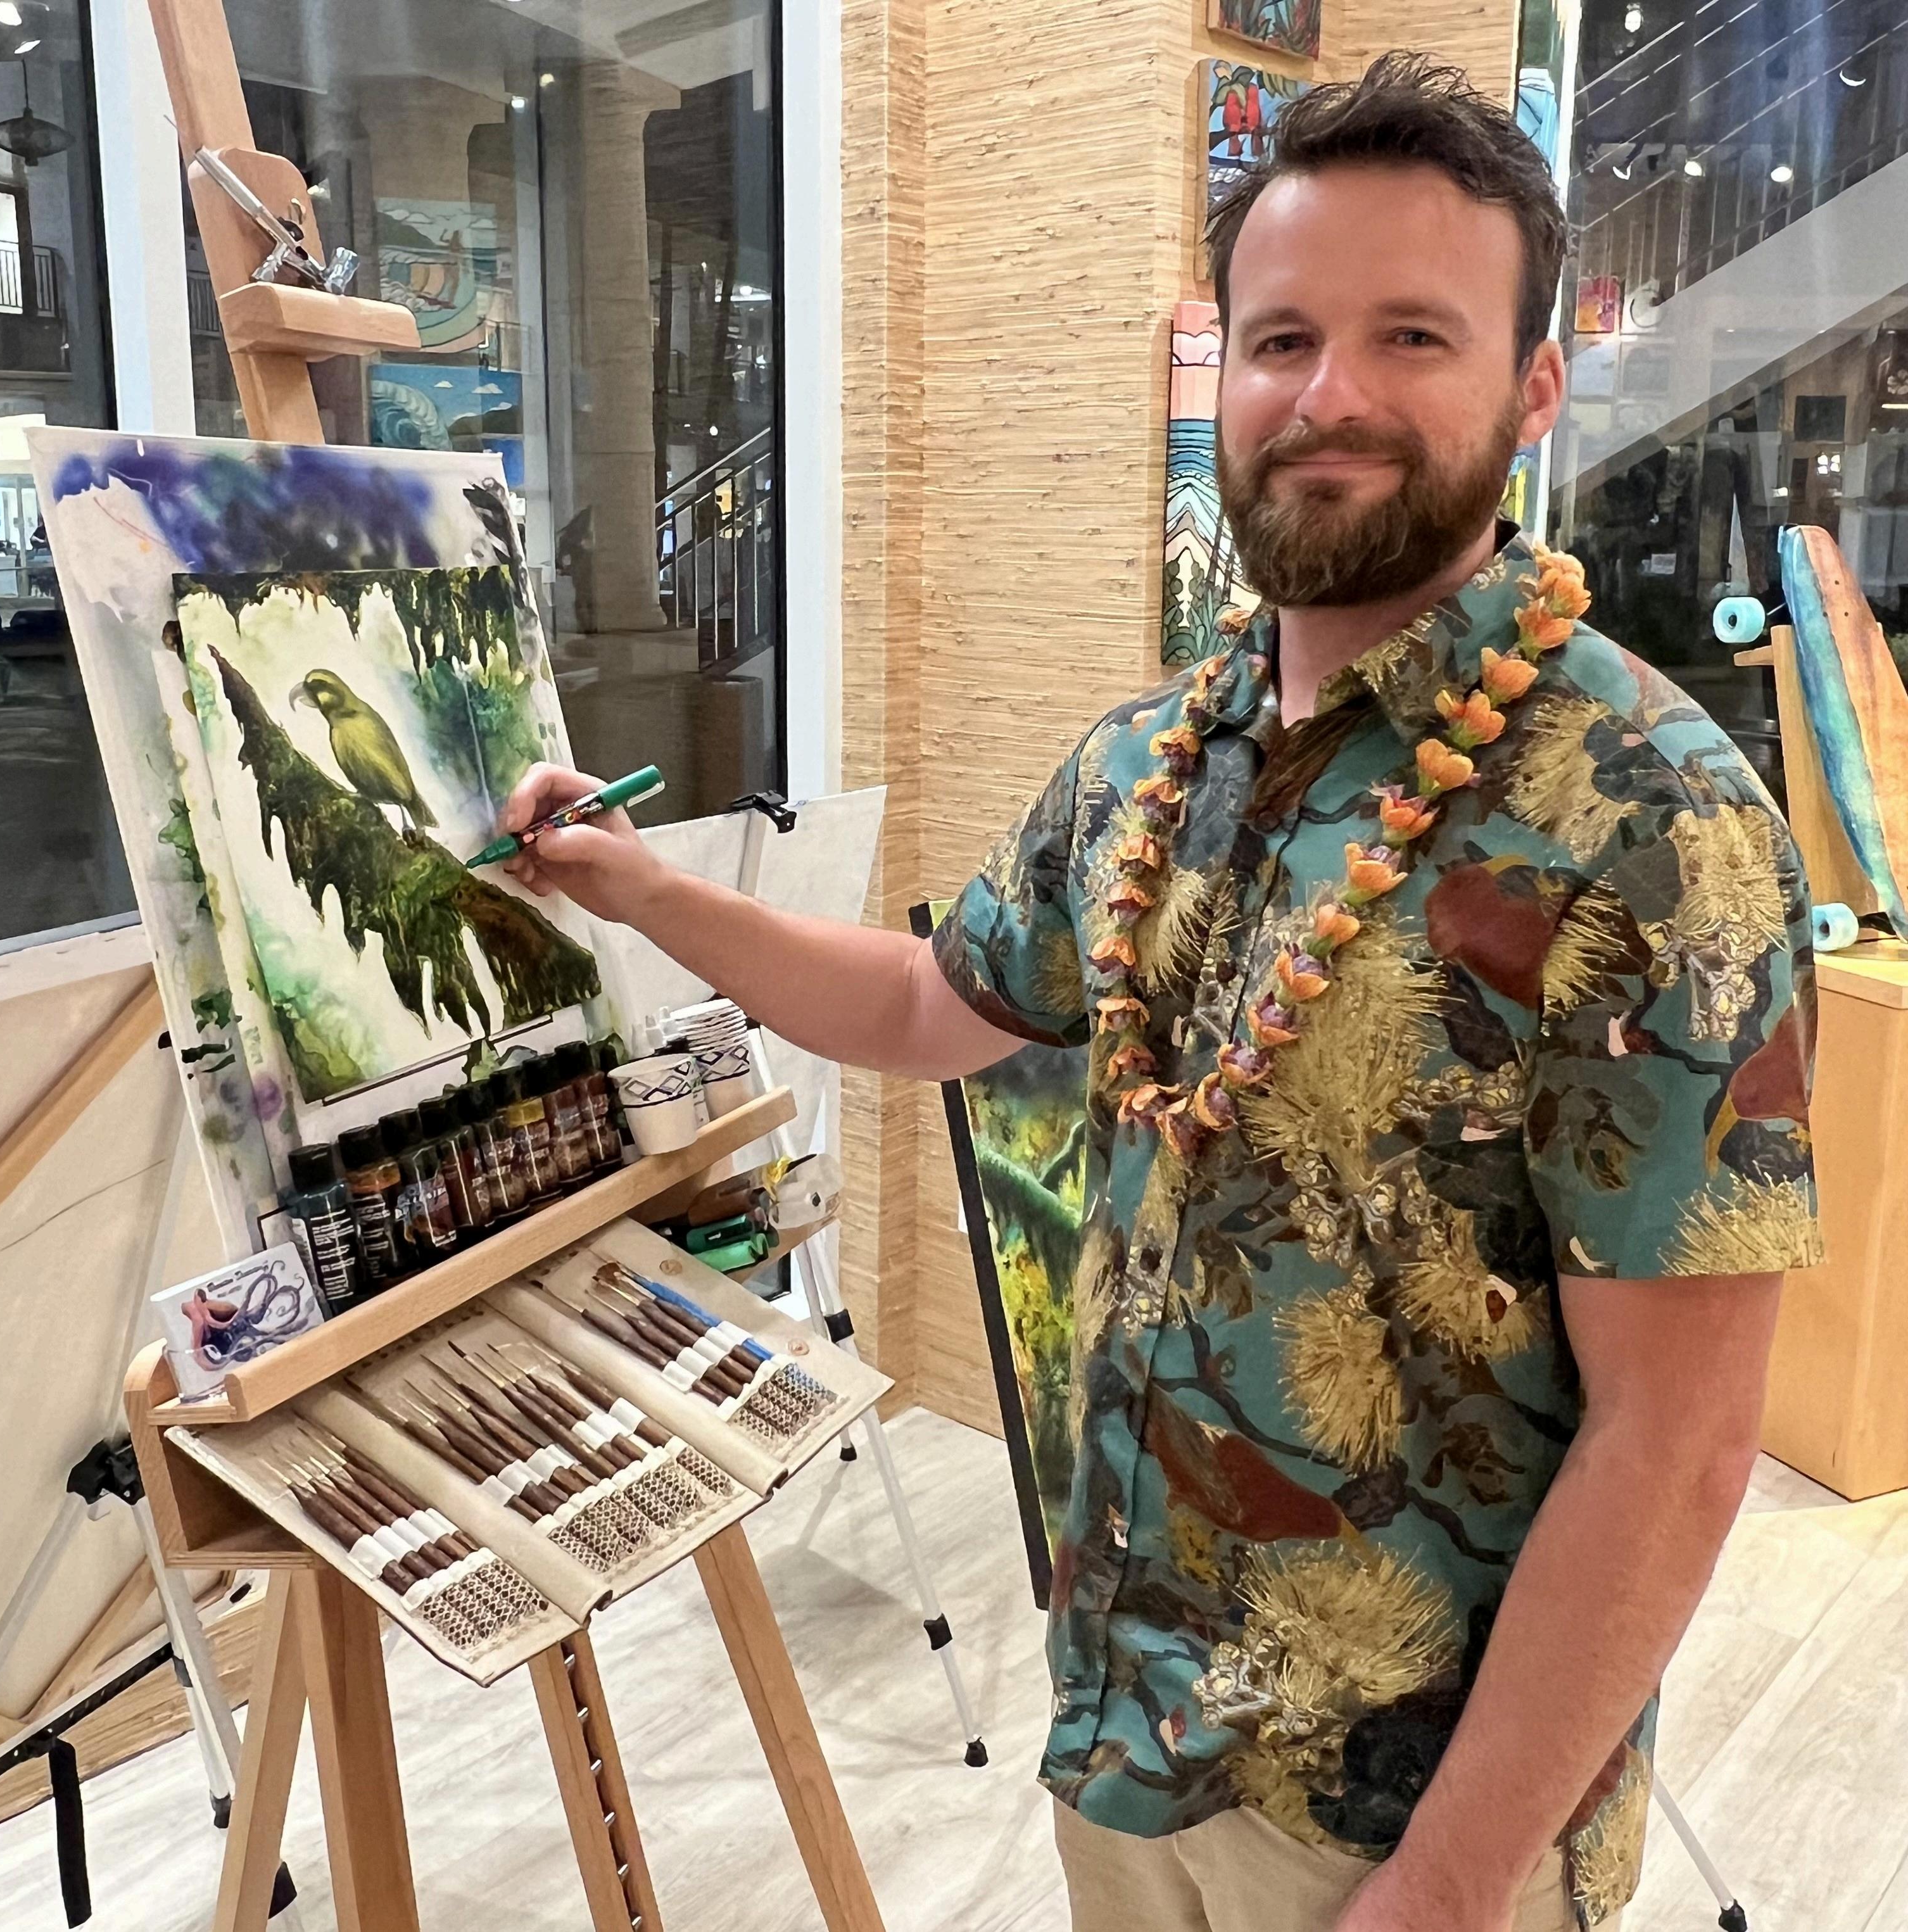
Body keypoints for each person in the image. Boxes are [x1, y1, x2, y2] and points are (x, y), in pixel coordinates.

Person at [499, 53, 1820, 1932]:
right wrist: (637, 888)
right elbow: (929, 1006)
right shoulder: (1150, 766)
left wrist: (1448, 1886)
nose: (1330, 394)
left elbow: (1676, 1449)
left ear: (1534, 388)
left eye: (1412, 335)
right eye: (1283, 339)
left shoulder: (1652, 823)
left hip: (1408, 1818)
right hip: (1128, 1725)